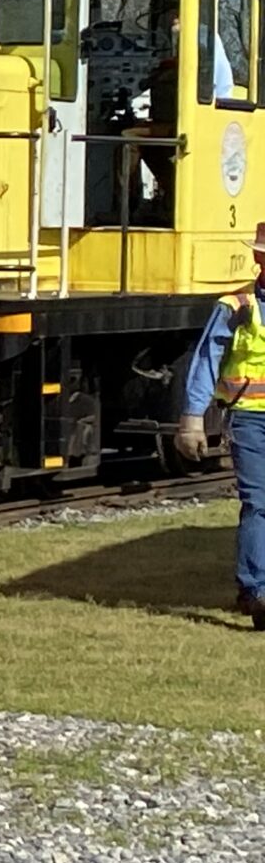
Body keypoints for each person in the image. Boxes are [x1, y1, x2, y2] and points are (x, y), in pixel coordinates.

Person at [177, 221, 265, 626]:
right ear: (258, 259)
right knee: (259, 503)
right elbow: (206, 361)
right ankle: (257, 591)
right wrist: (192, 418)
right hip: (250, 420)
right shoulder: (236, 307)